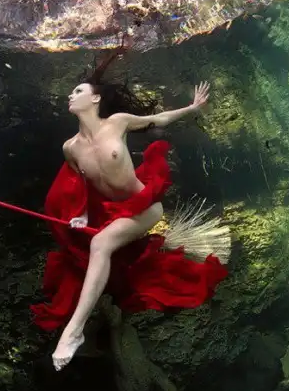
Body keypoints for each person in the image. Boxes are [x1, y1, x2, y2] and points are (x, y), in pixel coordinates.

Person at [30, 48, 227, 371]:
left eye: (78, 91)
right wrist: (81, 216)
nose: (70, 95)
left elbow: (157, 119)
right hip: (112, 214)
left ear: (95, 99)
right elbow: (81, 187)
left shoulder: (117, 123)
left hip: (145, 207)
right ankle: (83, 324)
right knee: (101, 247)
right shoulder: (71, 148)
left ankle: (74, 331)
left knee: (100, 243)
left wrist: (191, 108)